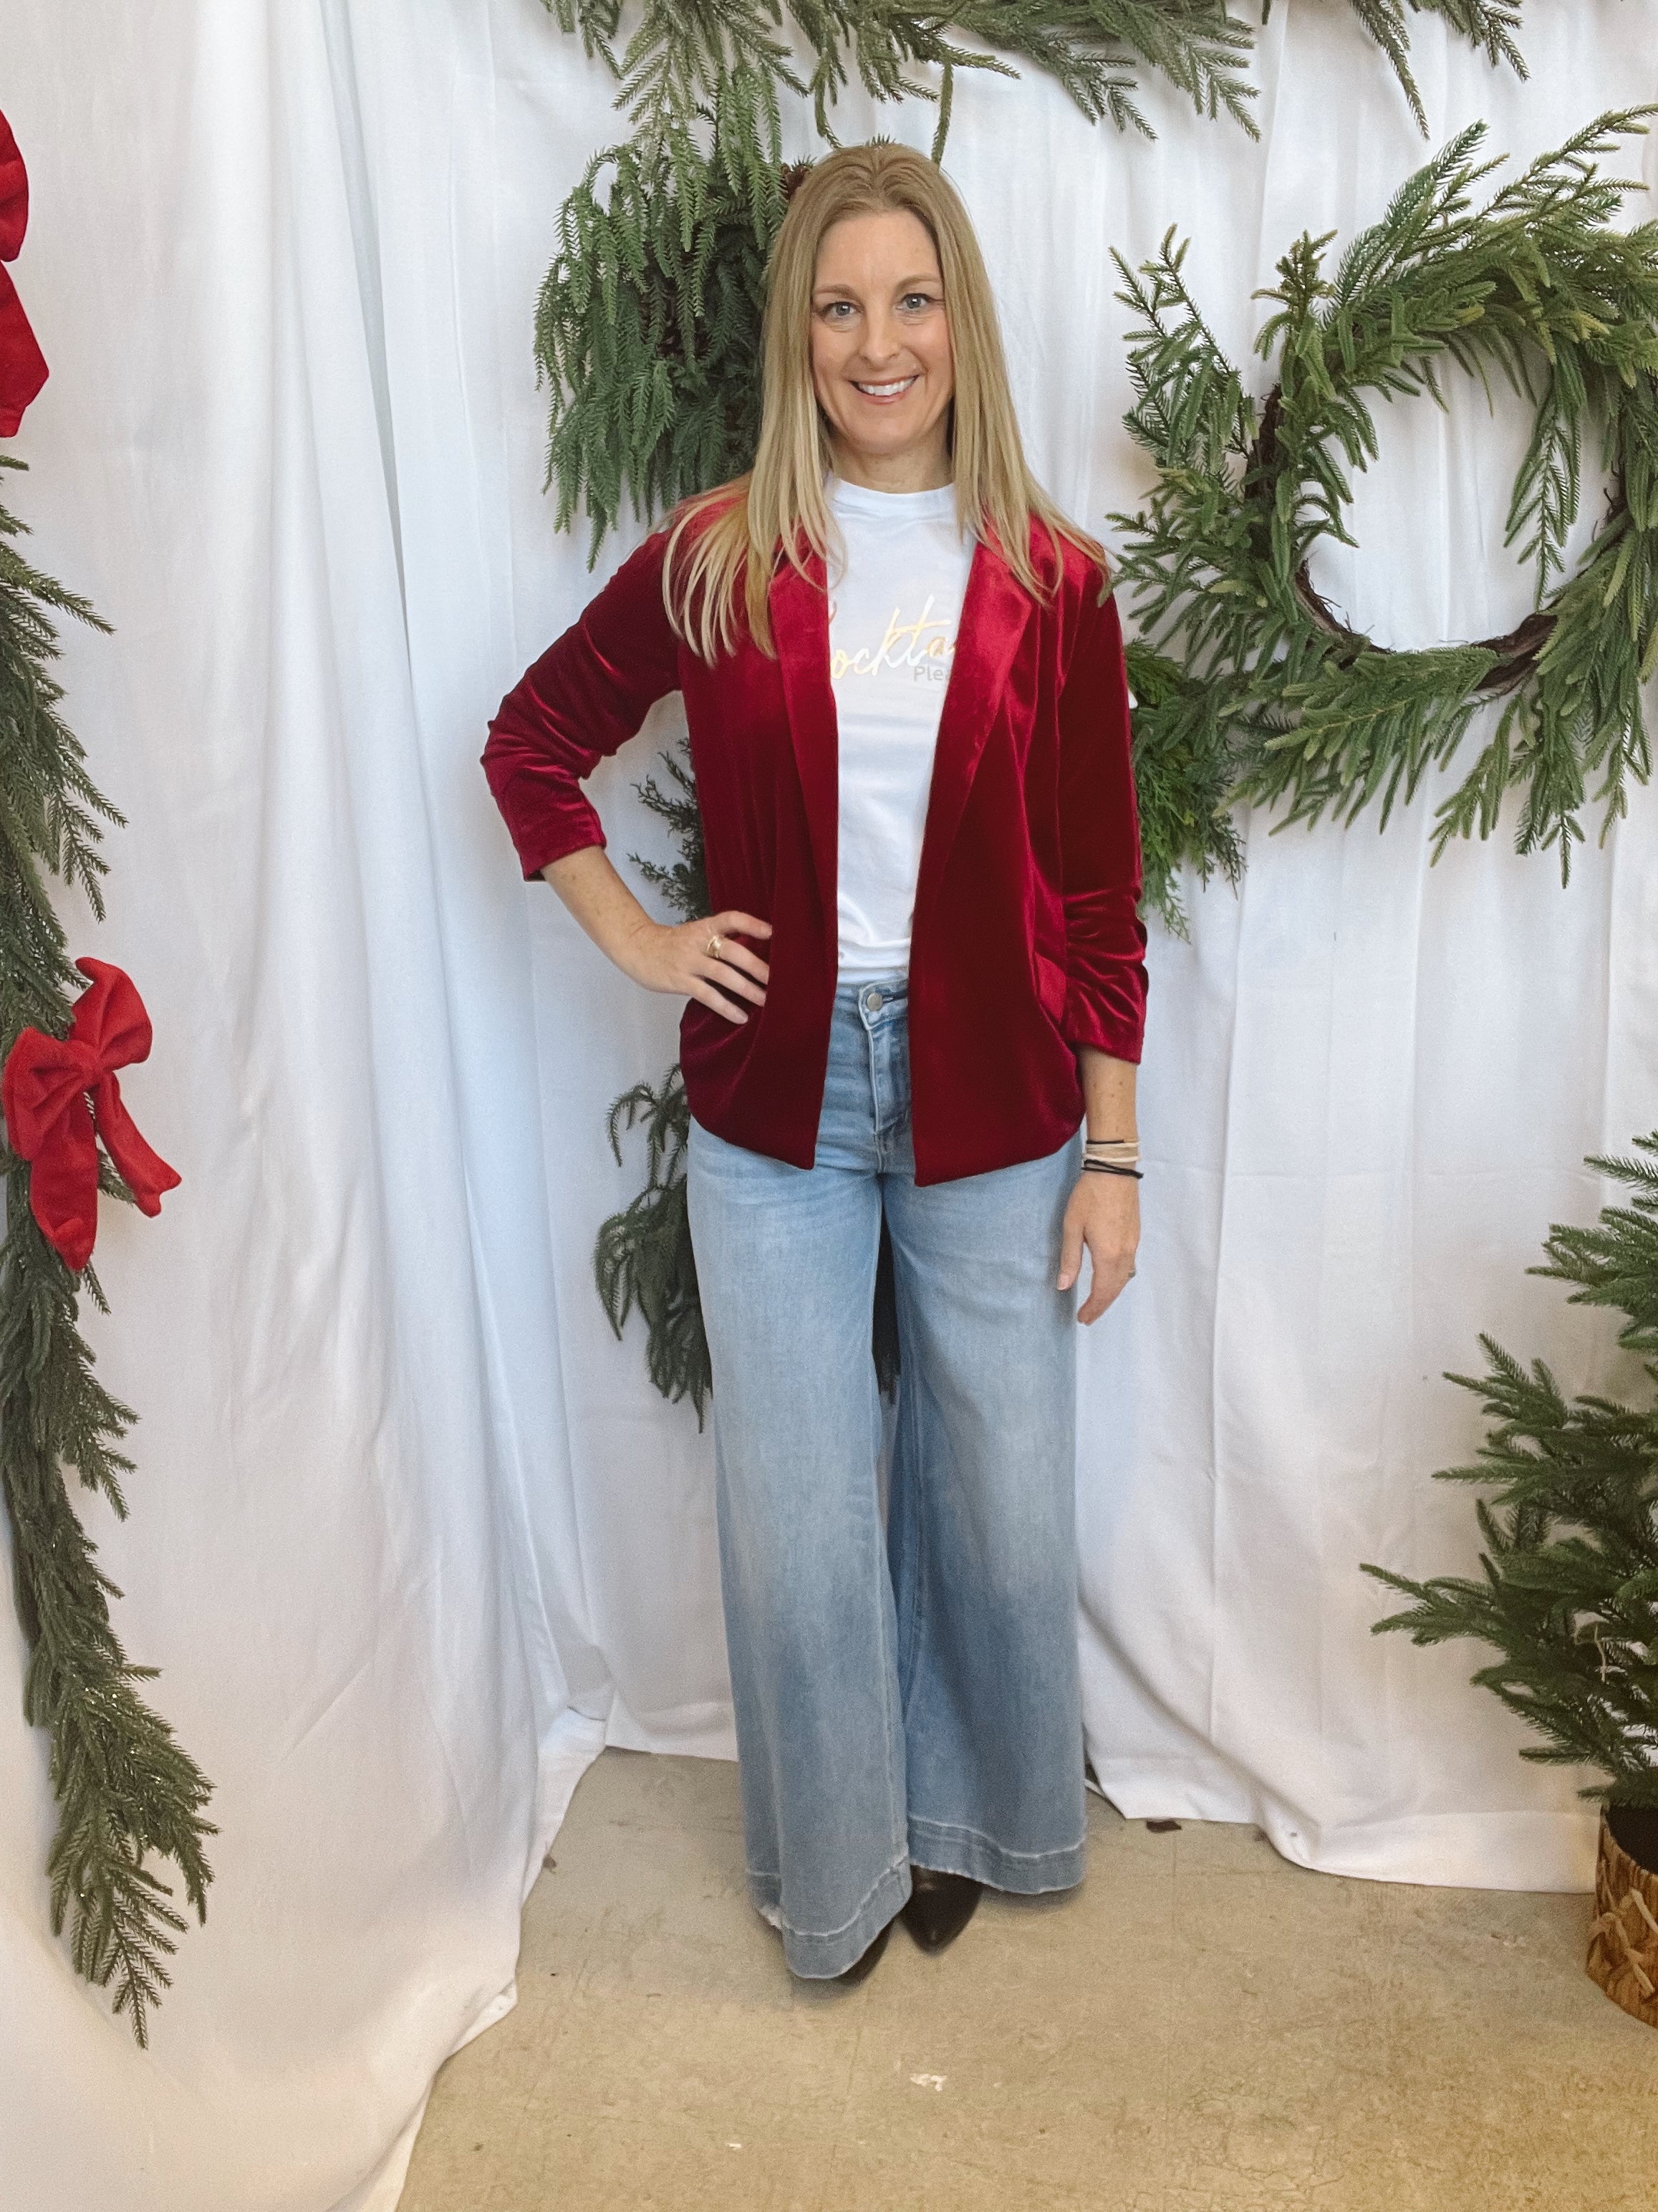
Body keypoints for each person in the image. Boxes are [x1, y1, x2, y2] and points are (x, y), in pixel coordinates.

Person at [483, 141, 1147, 1984]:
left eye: (912, 300)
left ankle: (978, 1819)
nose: (880, 343)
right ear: (802, 334)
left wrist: (1120, 1148)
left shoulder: (1051, 577)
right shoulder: (722, 552)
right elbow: (533, 739)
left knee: (1001, 1496)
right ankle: (840, 1871)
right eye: (841, 306)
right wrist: (641, 937)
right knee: (796, 1517)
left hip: (1001, 1095)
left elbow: (1100, 882)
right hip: (778, 1099)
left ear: (962, 321)